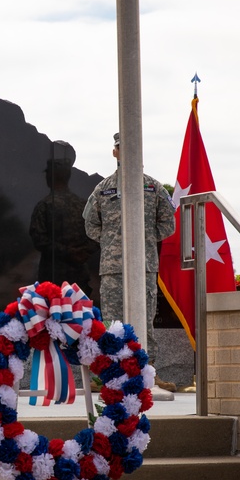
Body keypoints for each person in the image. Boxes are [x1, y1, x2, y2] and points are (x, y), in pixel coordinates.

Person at [83, 132, 176, 395]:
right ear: (115, 152)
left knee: (145, 321)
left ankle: (148, 375)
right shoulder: (103, 188)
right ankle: (108, 376)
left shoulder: (154, 187)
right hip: (113, 268)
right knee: (113, 322)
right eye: (121, 148)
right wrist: (116, 242)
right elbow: (90, 224)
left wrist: (142, 240)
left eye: (132, 147)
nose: (126, 152)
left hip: (144, 266)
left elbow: (168, 224)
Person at [28, 141, 99, 296]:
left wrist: (67, 252)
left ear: (50, 176)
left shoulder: (45, 206)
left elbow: (39, 240)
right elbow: (97, 235)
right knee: (81, 318)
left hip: (53, 277)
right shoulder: (83, 205)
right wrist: (83, 253)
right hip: (79, 277)